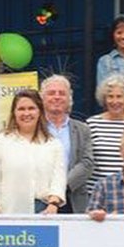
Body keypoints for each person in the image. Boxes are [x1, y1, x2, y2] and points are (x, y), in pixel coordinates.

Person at [0, 89, 67, 214]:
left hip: (44, 212)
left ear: (40, 112)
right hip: (8, 212)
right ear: (14, 113)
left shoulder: (54, 144)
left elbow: (58, 179)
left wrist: (53, 205)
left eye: (31, 108)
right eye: (21, 109)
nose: (26, 113)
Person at [86, 74, 124, 195]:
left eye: (119, 97)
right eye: (110, 97)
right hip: (96, 192)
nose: (115, 101)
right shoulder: (92, 124)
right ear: (104, 99)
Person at [41, 75, 94, 212]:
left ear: (69, 99)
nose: (57, 97)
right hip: (41, 198)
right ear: (42, 98)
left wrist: (60, 189)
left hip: (73, 197)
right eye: (51, 93)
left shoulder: (82, 129)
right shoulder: (35, 128)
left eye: (62, 93)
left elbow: (87, 163)